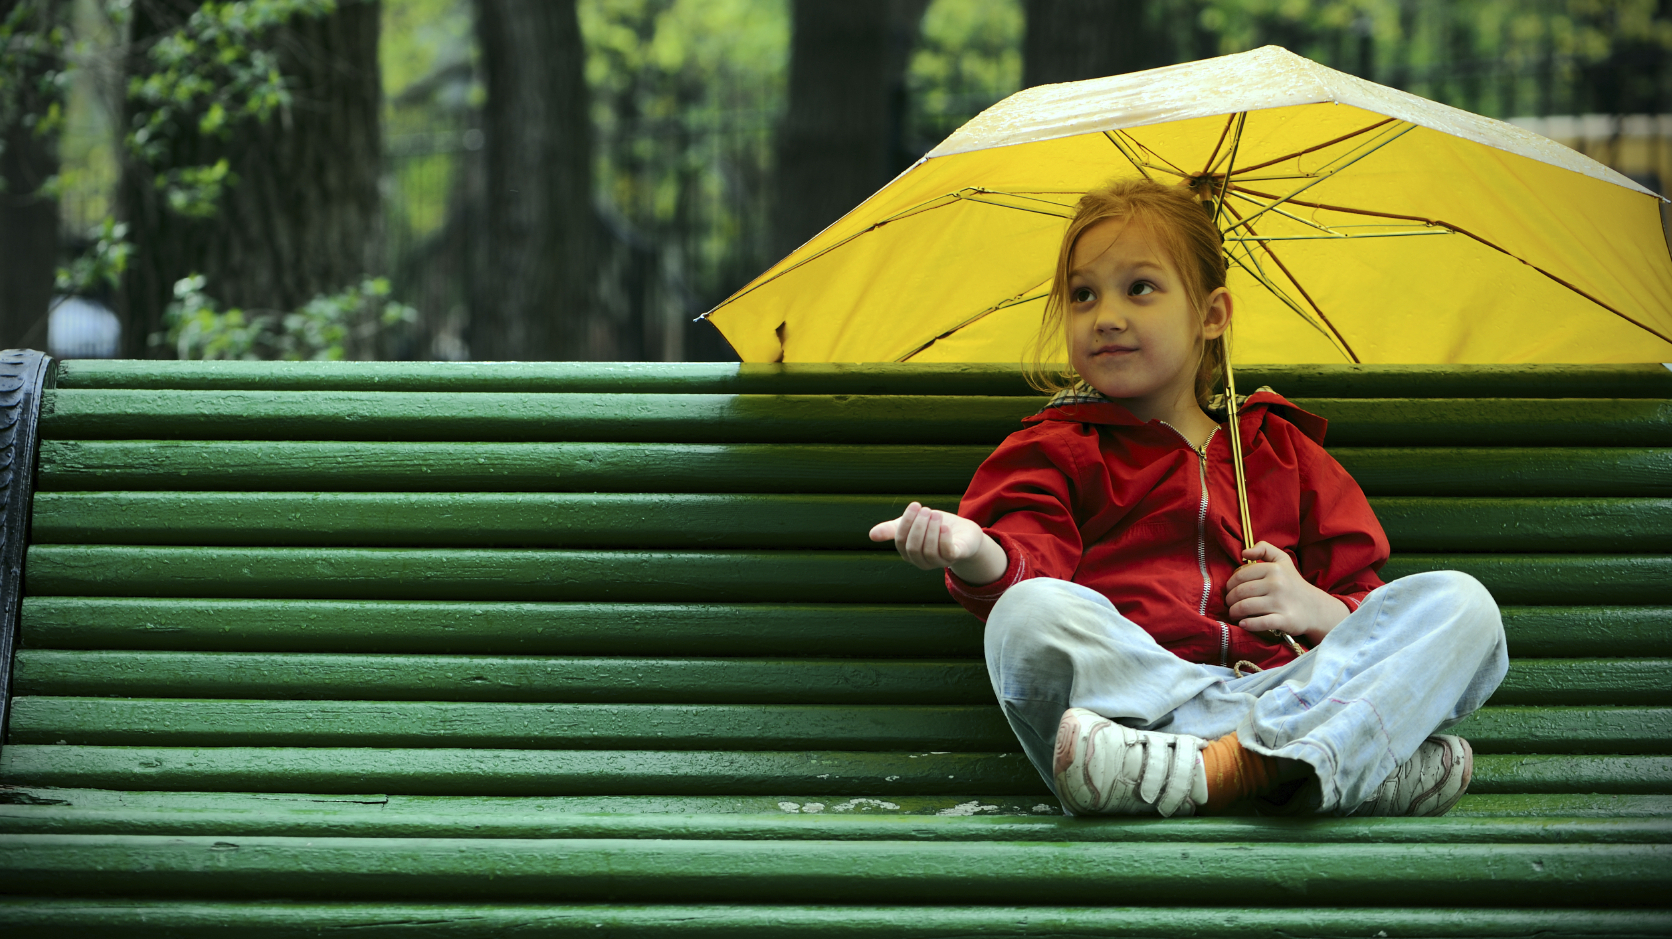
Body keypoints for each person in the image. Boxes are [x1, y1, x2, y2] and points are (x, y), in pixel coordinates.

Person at [868, 178, 1507, 817]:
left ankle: (1227, 768)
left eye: (1139, 288)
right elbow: (1031, 565)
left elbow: (1371, 616)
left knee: (1465, 606)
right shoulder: (1060, 447)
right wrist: (976, 550)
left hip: (1282, 688)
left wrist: (1316, 607)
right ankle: (1323, 761)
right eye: (1083, 294)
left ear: (1211, 314)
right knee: (1024, 614)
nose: (1106, 316)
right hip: (1131, 721)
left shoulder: (1285, 454)